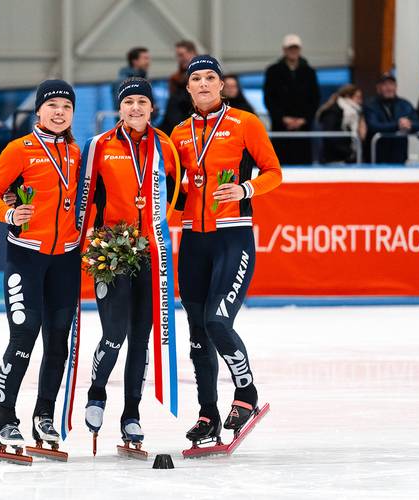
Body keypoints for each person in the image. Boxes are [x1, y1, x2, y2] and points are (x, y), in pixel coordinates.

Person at [170, 55, 282, 444]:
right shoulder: (179, 133)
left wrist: (244, 190)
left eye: (210, 78)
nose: (203, 84)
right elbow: (171, 187)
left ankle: (246, 391)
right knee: (198, 332)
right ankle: (207, 414)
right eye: (196, 78)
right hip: (192, 239)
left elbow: (274, 172)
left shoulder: (245, 123)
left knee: (218, 321)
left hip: (232, 235)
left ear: (222, 85)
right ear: (188, 88)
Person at [0, 80, 81, 452]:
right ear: (38, 111)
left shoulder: (76, 152)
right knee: (25, 334)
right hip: (26, 256)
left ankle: (44, 416)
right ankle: (5, 418)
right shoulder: (18, 149)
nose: (59, 112)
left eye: (66, 107)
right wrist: (9, 212)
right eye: (52, 105)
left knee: (58, 341)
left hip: (66, 260)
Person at [78, 78, 179, 448]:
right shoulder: (99, 147)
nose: (136, 108)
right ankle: (96, 393)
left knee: (141, 338)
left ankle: (131, 415)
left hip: (152, 254)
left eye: (142, 102)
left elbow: (180, 195)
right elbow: (84, 199)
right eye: (129, 102)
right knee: (115, 333)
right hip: (112, 252)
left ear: (152, 108)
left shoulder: (165, 146)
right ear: (119, 108)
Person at [263, 34, 320, 164]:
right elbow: (269, 98)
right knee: (280, 164)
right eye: (290, 48)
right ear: (284, 50)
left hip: (304, 129)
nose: (293, 51)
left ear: (300, 50)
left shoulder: (309, 72)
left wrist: (304, 119)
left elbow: (315, 99)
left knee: (303, 163)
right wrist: (282, 118)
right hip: (281, 128)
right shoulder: (273, 71)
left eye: (296, 48)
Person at [363, 73, 419, 163]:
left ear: (395, 87)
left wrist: (410, 125)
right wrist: (397, 125)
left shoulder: (404, 104)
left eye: (391, 84)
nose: (388, 88)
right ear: (378, 88)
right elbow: (373, 126)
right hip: (376, 157)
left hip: (399, 156)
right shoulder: (370, 105)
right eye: (385, 85)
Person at [316, 84, 366, 163]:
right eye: (358, 97)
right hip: (334, 159)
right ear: (347, 96)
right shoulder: (333, 111)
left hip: (349, 157)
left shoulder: (356, 113)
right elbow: (330, 135)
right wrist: (348, 152)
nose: (361, 101)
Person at [158, 40, 198, 134]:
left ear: (192, 53)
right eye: (178, 56)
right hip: (178, 126)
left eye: (181, 55)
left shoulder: (206, 75)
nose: (179, 59)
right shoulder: (175, 78)